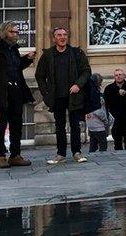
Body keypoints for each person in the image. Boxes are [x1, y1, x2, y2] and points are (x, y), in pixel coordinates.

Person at [0, 22, 35, 169]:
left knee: (17, 124)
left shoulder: (14, 50)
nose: (16, 35)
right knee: (0, 125)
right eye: (13, 32)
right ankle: (0, 156)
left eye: (17, 32)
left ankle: (15, 155)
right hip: (0, 93)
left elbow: (16, 67)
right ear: (4, 33)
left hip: (16, 91)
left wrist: (27, 59)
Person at [35, 27, 91, 164]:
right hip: (56, 96)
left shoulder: (77, 53)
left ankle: (77, 152)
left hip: (74, 95)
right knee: (59, 125)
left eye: (65, 35)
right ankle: (60, 154)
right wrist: (45, 93)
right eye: (59, 35)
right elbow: (39, 75)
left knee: (75, 125)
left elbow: (86, 71)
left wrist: (78, 84)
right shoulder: (48, 55)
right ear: (54, 38)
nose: (62, 37)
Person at [104, 68, 126, 150]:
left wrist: (125, 94)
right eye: (116, 75)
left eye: (120, 75)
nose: (118, 76)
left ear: (124, 76)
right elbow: (107, 103)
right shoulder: (109, 88)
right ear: (114, 77)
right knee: (117, 143)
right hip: (116, 118)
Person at [86, 74, 113, 153]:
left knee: (93, 146)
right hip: (99, 126)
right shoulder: (95, 94)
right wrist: (106, 121)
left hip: (91, 124)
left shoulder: (88, 93)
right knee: (103, 146)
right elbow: (99, 111)